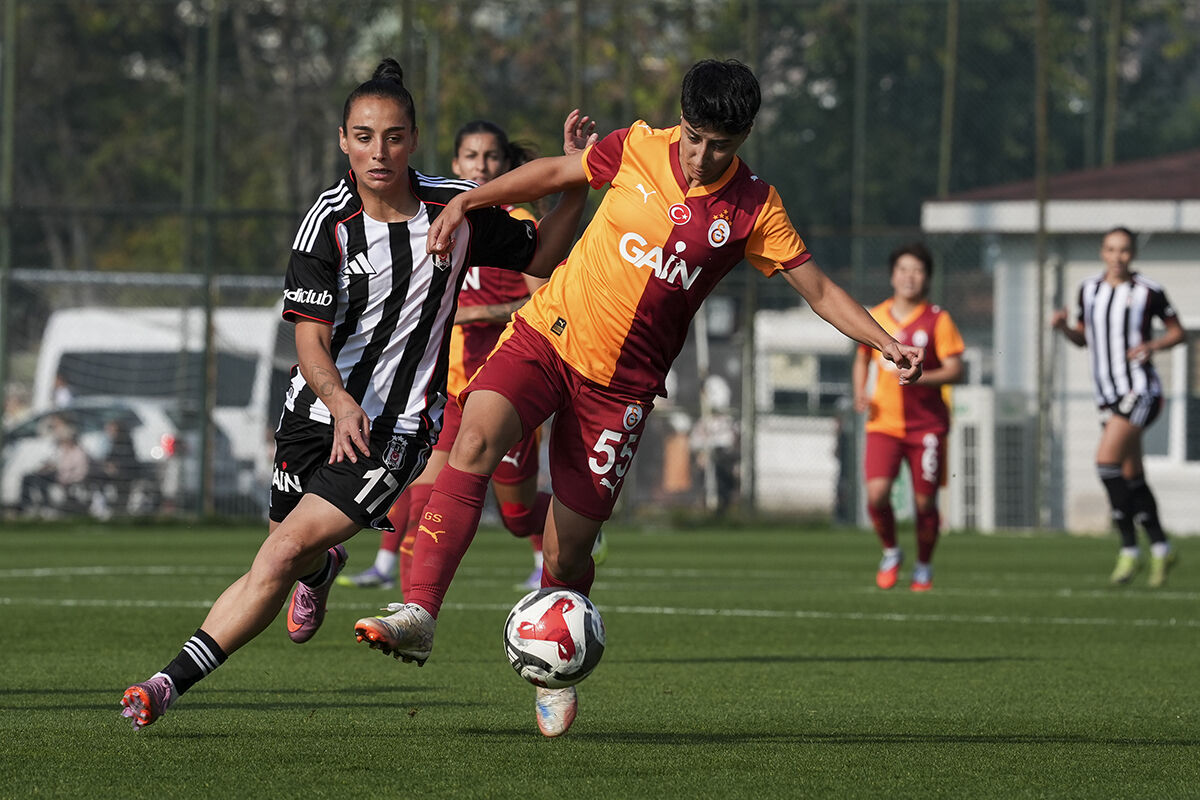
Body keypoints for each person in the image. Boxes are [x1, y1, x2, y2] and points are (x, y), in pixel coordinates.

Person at [352, 59, 924, 738]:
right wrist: (472, 199)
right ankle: (419, 614)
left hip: (619, 391)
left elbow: (820, 289)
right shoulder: (637, 145)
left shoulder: (755, 208)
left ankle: (552, 668)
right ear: (679, 120)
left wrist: (885, 341)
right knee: (472, 439)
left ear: (742, 141)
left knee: (566, 555)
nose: (704, 155)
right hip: (547, 336)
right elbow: (556, 174)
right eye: (695, 137)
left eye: (723, 146)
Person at [118, 58, 589, 731]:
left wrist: (572, 187)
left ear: (414, 141)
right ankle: (321, 568)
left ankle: (164, 684)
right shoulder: (326, 223)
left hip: (392, 430)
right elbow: (309, 340)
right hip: (313, 412)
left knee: (275, 557)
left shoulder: (455, 206)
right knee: (289, 548)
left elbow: (539, 257)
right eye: (364, 136)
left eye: (394, 137)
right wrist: (338, 402)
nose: (379, 151)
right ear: (343, 139)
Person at [338, 119, 604, 595]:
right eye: (471, 157)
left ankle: (576, 529)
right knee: (419, 497)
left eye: (491, 158)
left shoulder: (516, 223)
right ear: (455, 163)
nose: (481, 166)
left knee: (518, 515)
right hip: (447, 391)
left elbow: (544, 303)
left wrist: (480, 313)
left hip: (504, 389)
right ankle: (411, 611)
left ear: (505, 167)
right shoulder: (439, 216)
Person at [1050, 226, 1184, 588]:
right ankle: (1161, 547)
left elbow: (1178, 332)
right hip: (1106, 396)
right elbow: (1083, 338)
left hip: (1140, 391)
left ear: (1133, 254)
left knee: (1105, 463)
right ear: (1102, 252)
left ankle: (1129, 548)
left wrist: (1152, 347)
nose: (1117, 256)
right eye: (1111, 249)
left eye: (1124, 250)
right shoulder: (1089, 289)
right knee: (1131, 476)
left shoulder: (1148, 291)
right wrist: (1063, 328)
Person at [851, 242, 964, 592]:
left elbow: (955, 369)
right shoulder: (877, 317)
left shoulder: (937, 320)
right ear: (892, 275)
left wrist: (922, 378)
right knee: (877, 495)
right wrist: (860, 390)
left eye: (916, 270)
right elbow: (862, 358)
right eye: (903, 270)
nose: (909, 277)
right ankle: (890, 552)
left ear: (927, 277)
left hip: (927, 425)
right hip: (883, 422)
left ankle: (924, 566)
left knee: (924, 501)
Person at [19, 413, 91, 514]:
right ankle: (26, 506)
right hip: (56, 474)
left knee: (41, 480)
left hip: (64, 478)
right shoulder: (60, 449)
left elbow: (79, 471)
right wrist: (45, 468)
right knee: (28, 477)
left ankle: (46, 507)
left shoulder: (78, 452)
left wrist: (65, 476)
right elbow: (53, 462)